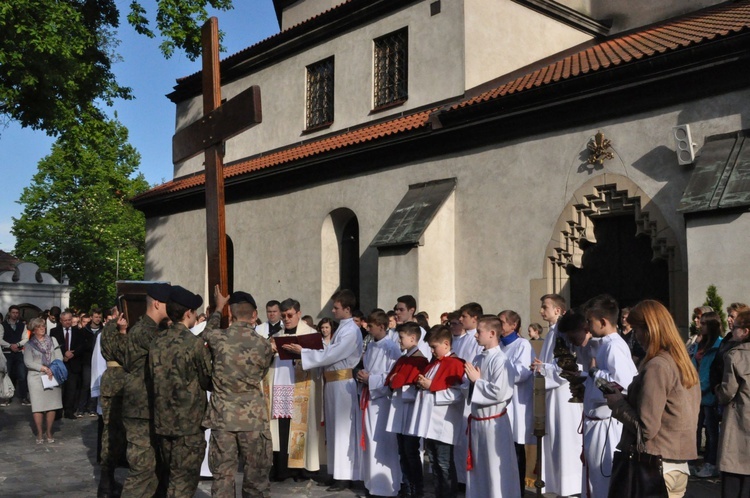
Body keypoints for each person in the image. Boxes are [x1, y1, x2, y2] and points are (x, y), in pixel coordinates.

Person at [605, 300, 700, 498]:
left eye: (637, 328)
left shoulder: (658, 366)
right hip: (676, 465)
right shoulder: (681, 362)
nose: (635, 335)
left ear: (650, 329)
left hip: (654, 467)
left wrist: (617, 404)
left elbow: (646, 428)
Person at [286, 289, 363, 491]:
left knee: (342, 429)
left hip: (342, 384)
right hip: (332, 383)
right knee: (332, 428)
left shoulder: (351, 330)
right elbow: (328, 351)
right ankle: (335, 471)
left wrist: (304, 352)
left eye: (336, 307)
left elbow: (333, 353)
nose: (332, 310)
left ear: (347, 309)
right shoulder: (343, 328)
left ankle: (345, 476)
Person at [203, 288, 275, 498]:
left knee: (223, 478)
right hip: (253, 421)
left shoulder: (218, 338)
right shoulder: (263, 346)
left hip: (223, 419)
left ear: (232, 315)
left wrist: (218, 307)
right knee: (257, 480)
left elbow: (207, 331)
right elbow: (261, 374)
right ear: (254, 315)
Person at [149, 285, 212, 498]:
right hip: (189, 425)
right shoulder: (193, 344)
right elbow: (208, 379)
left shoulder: (157, 341)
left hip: (163, 422)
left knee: (170, 478)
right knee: (184, 483)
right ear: (188, 313)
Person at [580, 295, 638, 498]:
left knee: (604, 480)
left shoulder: (614, 346)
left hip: (606, 426)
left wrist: (594, 374)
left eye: (590, 321)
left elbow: (622, 384)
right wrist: (584, 377)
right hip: (596, 423)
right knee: (594, 478)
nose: (587, 326)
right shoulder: (605, 344)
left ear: (603, 322)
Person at [121, 282, 171, 498]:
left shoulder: (152, 329)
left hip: (148, 408)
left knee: (153, 471)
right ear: (158, 303)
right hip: (140, 410)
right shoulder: (144, 331)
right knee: (142, 471)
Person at [267, 298, 324, 482]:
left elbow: (320, 358)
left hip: (302, 387)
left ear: (299, 313)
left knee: (300, 428)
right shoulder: (278, 334)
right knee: (282, 428)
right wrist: (270, 350)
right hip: (282, 386)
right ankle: (282, 468)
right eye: (283, 316)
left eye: (290, 315)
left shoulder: (311, 334)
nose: (286, 319)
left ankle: (301, 469)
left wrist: (301, 352)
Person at [532, 293, 583, 497]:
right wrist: (541, 368)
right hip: (551, 396)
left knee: (566, 440)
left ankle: (570, 488)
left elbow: (571, 366)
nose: (541, 311)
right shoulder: (552, 332)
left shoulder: (563, 333)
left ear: (558, 310)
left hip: (565, 396)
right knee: (553, 440)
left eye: (545, 307)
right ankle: (555, 486)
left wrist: (543, 369)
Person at [464, 315, 520, 497]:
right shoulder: (479, 357)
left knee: (495, 470)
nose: (475, 335)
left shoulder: (501, 360)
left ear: (492, 333)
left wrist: (477, 381)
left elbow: (501, 392)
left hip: (494, 423)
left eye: (479, 332)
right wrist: (471, 383)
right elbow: (472, 386)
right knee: (480, 470)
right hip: (478, 422)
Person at [409, 325, 466, 498]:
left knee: (444, 463)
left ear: (447, 344)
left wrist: (431, 386)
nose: (432, 351)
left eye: (434, 347)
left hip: (444, 422)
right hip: (430, 421)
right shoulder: (435, 363)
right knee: (434, 462)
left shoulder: (456, 364)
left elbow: (458, 394)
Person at [357, 310, 403, 497]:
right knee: (370, 440)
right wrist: (363, 377)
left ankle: (388, 486)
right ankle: (372, 484)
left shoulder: (391, 348)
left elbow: (392, 376)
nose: (368, 329)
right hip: (370, 399)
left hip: (383, 402)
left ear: (382, 326)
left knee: (383, 443)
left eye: (371, 326)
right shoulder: (371, 346)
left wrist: (371, 379)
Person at [385, 322, 429, 498]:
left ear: (413, 338)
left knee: (411, 452)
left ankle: (417, 489)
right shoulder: (403, 359)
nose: (399, 341)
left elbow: (415, 385)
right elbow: (390, 380)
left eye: (401, 337)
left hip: (411, 410)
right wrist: (395, 380)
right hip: (399, 409)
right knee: (402, 451)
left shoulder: (420, 361)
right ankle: (407, 486)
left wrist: (399, 381)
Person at [498, 309, 536, 497]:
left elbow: (522, 373)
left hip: (515, 406)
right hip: (500, 404)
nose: (499, 325)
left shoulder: (522, 345)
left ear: (514, 325)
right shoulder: (498, 346)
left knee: (515, 452)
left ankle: (518, 492)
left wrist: (501, 367)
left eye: (502, 322)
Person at [94, 310, 129, 498]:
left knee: (109, 431)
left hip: (109, 383)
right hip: (120, 383)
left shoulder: (105, 330)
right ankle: (107, 484)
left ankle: (106, 481)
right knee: (116, 433)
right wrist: (123, 332)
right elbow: (125, 355)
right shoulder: (117, 332)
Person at [716, 310, 750, 498]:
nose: (732, 330)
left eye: (736, 327)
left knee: (734, 477)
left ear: (746, 331)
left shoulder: (735, 356)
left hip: (740, 422)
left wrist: (716, 391)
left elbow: (727, 392)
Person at [692, 310, 723, 478]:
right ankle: (692, 461)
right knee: (693, 429)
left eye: (703, 323)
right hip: (695, 393)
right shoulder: (700, 343)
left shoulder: (719, 344)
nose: (700, 325)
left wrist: (703, 387)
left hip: (709, 395)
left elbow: (714, 371)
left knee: (711, 432)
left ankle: (711, 463)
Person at [24, 317, 64, 443]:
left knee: (52, 405)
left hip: (52, 374)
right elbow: (28, 362)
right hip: (36, 377)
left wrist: (52, 368)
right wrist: (43, 368)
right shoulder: (29, 345)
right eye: (39, 327)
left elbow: (59, 356)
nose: (42, 328)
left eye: (43, 326)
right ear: (34, 330)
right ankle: (40, 432)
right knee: (38, 406)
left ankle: (49, 431)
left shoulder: (53, 340)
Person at [50, 310, 89, 419]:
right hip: (60, 363)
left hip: (74, 363)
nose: (67, 322)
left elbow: (82, 346)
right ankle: (57, 412)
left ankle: (69, 411)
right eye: (65, 320)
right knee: (59, 389)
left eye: (69, 320)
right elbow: (53, 345)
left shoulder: (79, 331)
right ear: (61, 321)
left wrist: (73, 354)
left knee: (71, 389)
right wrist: (64, 354)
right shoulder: (54, 331)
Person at [1, 305, 30, 406]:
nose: (15, 314)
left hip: (18, 352)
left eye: (17, 313)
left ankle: (23, 397)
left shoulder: (22, 325)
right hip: (7, 353)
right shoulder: (2, 325)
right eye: (13, 312)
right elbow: (0, 339)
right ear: (9, 313)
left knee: (22, 375)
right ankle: (6, 397)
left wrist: (17, 345)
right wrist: (9, 345)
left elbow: (26, 338)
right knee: (7, 375)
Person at [394, 295, 431, 360]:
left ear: (411, 310)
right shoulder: (394, 332)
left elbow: (423, 357)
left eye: (401, 310)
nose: (397, 312)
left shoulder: (420, 331)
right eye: (396, 309)